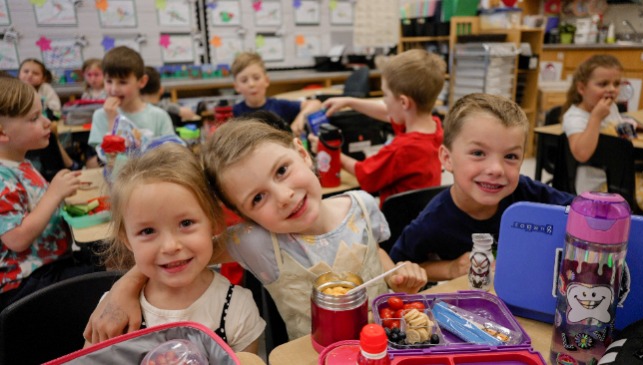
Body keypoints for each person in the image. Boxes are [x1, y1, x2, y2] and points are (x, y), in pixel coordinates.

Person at [83, 119, 427, 344]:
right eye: (258, 198)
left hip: (391, 345)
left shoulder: (364, 205)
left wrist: (394, 273)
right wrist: (122, 288)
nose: (284, 197)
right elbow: (182, 250)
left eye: (281, 170)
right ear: (244, 216)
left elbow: (376, 253)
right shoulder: (255, 241)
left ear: (302, 152)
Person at [86, 143, 265, 353]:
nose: (170, 246)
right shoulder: (113, 311)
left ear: (214, 221)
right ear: (126, 239)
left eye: (186, 223)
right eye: (148, 231)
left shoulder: (236, 309)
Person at [389, 93, 575, 282]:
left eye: (510, 156)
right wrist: (450, 268)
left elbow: (582, 210)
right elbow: (397, 267)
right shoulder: (432, 221)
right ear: (447, 159)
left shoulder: (527, 192)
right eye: (478, 153)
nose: (496, 169)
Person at [0, 77, 102, 311]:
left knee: (107, 261)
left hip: (50, 266)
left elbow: (35, 205)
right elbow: (17, 239)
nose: (47, 123)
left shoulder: (19, 163)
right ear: (2, 133)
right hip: (26, 284)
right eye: (34, 118)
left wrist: (65, 192)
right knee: (111, 278)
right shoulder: (2, 177)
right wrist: (54, 194)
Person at [322, 49, 445, 205]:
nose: (384, 101)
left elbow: (364, 174)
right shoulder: (434, 128)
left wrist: (330, 152)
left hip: (394, 225)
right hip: (420, 219)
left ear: (404, 102)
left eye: (385, 95)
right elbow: (389, 113)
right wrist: (349, 102)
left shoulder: (402, 149)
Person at [87, 46, 175, 165]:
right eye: (109, 81)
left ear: (142, 81)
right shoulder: (101, 116)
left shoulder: (159, 116)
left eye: (122, 82)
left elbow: (171, 154)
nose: (114, 89)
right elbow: (108, 160)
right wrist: (113, 120)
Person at [561, 54, 634, 194]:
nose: (612, 89)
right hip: (594, 189)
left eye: (616, 83)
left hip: (618, 178)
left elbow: (625, 138)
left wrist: (631, 128)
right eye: (603, 84)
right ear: (582, 88)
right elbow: (582, 154)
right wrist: (596, 117)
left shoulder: (611, 108)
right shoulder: (575, 117)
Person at [230, 52, 322, 136]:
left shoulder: (279, 105)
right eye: (244, 80)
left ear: (266, 80)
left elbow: (315, 103)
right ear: (236, 86)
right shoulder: (233, 113)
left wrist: (300, 118)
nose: (251, 84)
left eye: (256, 78)